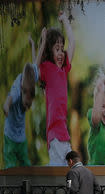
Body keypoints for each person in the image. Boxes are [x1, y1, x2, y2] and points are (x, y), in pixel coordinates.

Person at [36, 11, 74, 166]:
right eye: (57, 49)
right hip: (54, 134)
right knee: (59, 168)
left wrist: (65, 20)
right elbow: (35, 66)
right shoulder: (46, 68)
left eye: (61, 48)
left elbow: (72, 42)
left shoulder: (64, 69)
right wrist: (43, 41)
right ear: (49, 51)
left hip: (63, 132)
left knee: (68, 168)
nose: (61, 52)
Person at [2, 58, 38, 168]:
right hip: (10, 135)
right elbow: (9, 100)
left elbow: (36, 62)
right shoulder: (17, 92)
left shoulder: (32, 79)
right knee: (10, 165)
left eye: (29, 105)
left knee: (25, 164)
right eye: (26, 104)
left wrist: (38, 44)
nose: (27, 108)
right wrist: (6, 108)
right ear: (22, 90)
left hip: (21, 137)